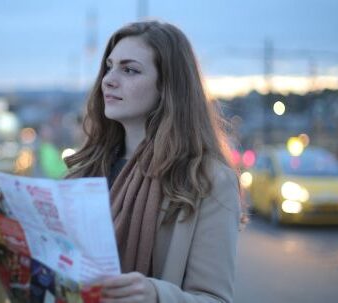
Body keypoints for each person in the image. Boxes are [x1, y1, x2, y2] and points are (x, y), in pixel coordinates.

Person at [65, 20, 246, 303]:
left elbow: (215, 298)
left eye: (129, 70)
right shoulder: (87, 170)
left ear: (167, 87)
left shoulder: (207, 179)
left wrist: (156, 295)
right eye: (109, 66)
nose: (108, 79)